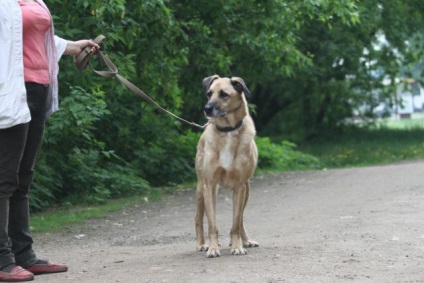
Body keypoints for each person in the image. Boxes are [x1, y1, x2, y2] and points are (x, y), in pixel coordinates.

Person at [0, 0, 99, 281]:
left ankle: (24, 254)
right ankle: (2, 259)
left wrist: (72, 47)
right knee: (4, 179)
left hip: (38, 89)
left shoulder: (34, 1)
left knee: (23, 177)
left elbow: (34, 37)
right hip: (10, 91)